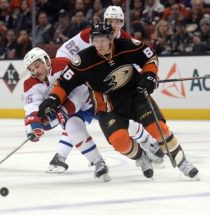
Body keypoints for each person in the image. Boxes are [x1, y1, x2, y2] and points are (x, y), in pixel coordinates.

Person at [38, 22, 199, 179]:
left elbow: (149, 57)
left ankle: (183, 162)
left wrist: (149, 75)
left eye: (102, 40)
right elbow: (64, 83)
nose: (99, 44)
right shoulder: (83, 60)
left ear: (111, 38)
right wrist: (53, 98)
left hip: (136, 96)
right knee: (119, 142)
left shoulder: (127, 46)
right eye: (95, 40)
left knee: (160, 129)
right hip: (109, 106)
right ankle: (141, 157)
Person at [51, 6, 163, 173]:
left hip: (105, 87)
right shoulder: (89, 34)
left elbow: (129, 68)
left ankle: (148, 142)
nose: (114, 24)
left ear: (122, 23)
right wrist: (77, 76)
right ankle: (62, 155)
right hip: (83, 84)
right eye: (110, 21)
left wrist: (148, 76)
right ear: (104, 22)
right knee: (74, 118)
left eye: (117, 21)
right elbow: (63, 52)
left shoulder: (124, 40)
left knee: (119, 115)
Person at [22, 47, 111, 181]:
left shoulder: (63, 64)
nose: (35, 71)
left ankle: (150, 144)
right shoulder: (30, 84)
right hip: (77, 111)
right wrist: (34, 125)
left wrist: (62, 112)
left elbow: (79, 90)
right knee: (72, 127)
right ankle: (98, 162)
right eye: (31, 69)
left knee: (126, 125)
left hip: (94, 99)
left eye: (37, 66)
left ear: (46, 61)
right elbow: (32, 106)